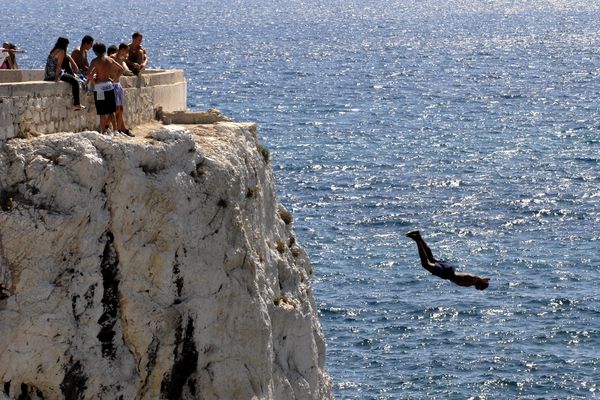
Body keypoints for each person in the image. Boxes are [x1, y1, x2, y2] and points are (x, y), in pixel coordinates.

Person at [406, 230, 490, 290]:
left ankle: (419, 237)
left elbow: (478, 278)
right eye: (480, 288)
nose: (478, 289)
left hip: (450, 268)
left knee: (431, 258)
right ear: (479, 285)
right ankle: (417, 239)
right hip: (446, 273)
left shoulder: (475, 278)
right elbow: (472, 280)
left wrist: (483, 280)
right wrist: (482, 281)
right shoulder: (471, 282)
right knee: (425, 264)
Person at [87, 41, 124, 133]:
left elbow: (88, 74)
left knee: (102, 112)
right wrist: (115, 79)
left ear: (95, 51)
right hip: (109, 86)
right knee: (111, 111)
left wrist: (94, 81)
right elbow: (121, 69)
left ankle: (103, 132)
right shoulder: (110, 60)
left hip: (99, 88)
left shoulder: (95, 61)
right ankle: (115, 131)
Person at [44, 37, 85, 111]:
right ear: (65, 44)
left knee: (71, 79)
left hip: (47, 75)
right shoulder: (62, 51)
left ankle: (76, 103)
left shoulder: (53, 51)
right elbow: (59, 65)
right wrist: (56, 77)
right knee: (75, 82)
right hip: (53, 74)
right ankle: (76, 104)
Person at [107, 44, 133, 136]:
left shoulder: (121, 59)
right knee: (116, 109)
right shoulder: (111, 58)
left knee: (120, 109)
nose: (127, 53)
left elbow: (121, 71)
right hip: (112, 85)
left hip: (118, 85)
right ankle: (107, 125)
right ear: (121, 49)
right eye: (126, 51)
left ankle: (119, 130)